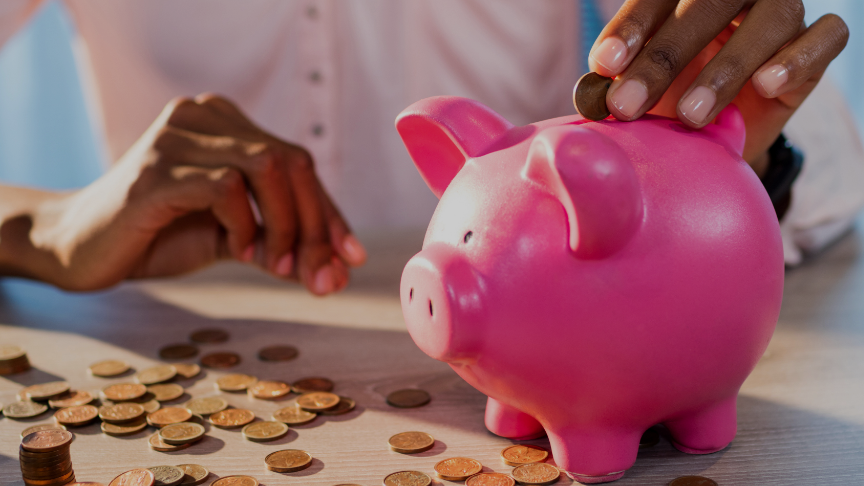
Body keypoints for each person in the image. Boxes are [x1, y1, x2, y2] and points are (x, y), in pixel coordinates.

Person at [0, 0, 858, 293]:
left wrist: (720, 146)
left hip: (561, 335)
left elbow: (820, 189)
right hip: (185, 334)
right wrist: (43, 227)